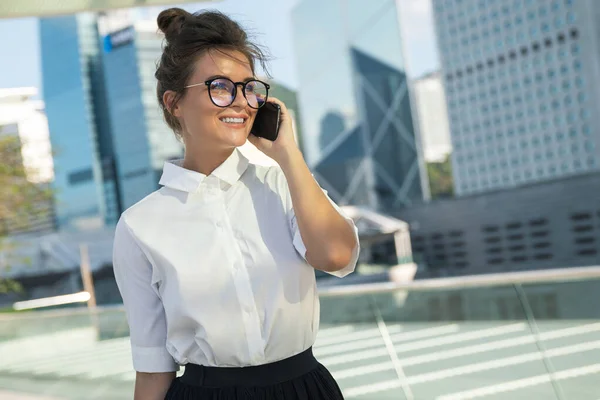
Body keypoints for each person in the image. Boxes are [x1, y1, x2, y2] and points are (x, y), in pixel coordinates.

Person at [112, 7, 360, 400]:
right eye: (220, 87)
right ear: (174, 103)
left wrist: (288, 154)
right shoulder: (139, 226)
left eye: (249, 87)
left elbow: (335, 255)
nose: (242, 102)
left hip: (304, 390)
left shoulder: (284, 182)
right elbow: (153, 367)